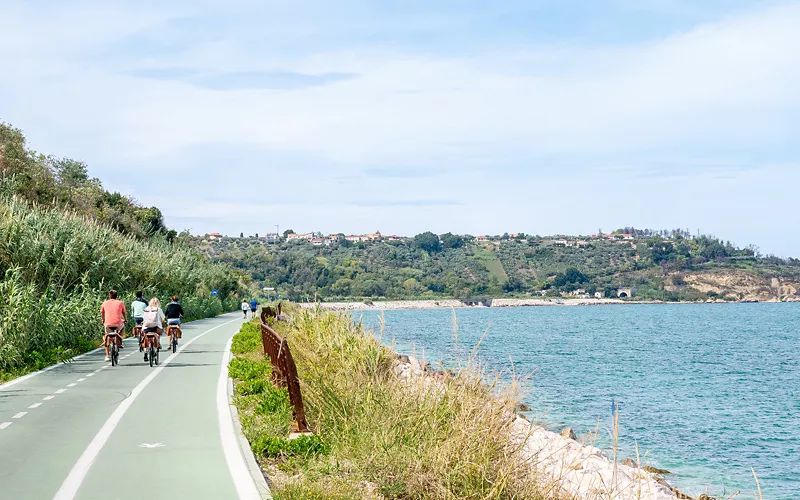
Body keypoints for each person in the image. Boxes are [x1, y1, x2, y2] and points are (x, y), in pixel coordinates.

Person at [100, 290, 127, 362]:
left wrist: (103, 320)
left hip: (108, 324)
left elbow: (102, 312)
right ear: (116, 296)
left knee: (107, 335)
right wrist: (125, 319)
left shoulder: (105, 303)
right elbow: (124, 312)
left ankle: (107, 356)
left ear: (109, 296)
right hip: (118, 324)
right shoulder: (120, 303)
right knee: (123, 326)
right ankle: (119, 341)